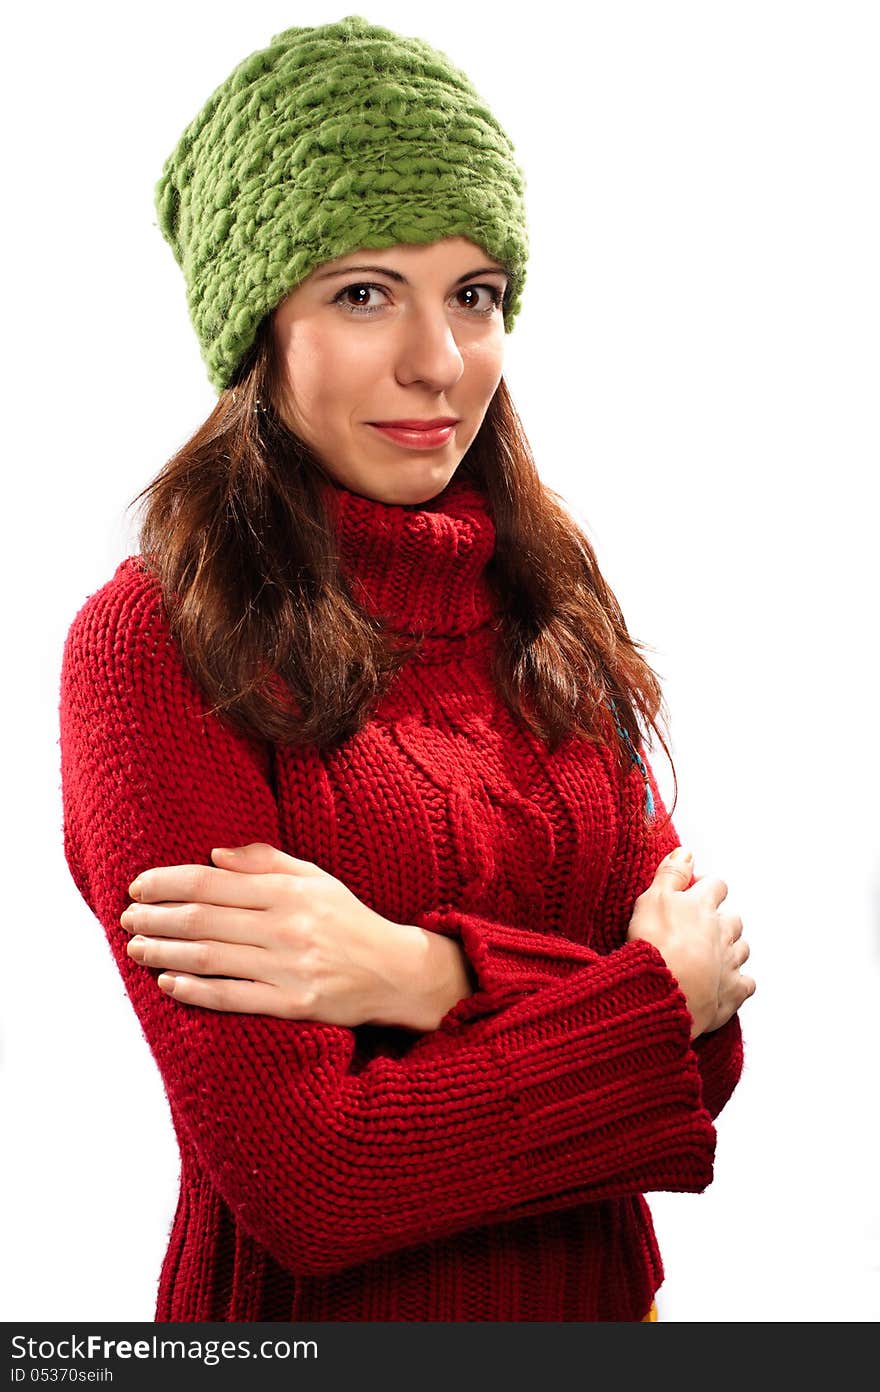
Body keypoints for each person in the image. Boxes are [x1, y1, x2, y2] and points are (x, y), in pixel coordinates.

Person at [57, 14, 755, 1323]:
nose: (440, 361)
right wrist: (639, 1007)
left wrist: (418, 975)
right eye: (364, 292)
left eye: (475, 294)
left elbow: (711, 1065)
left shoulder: (550, 617)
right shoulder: (155, 651)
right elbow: (315, 1182)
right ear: (258, 324)